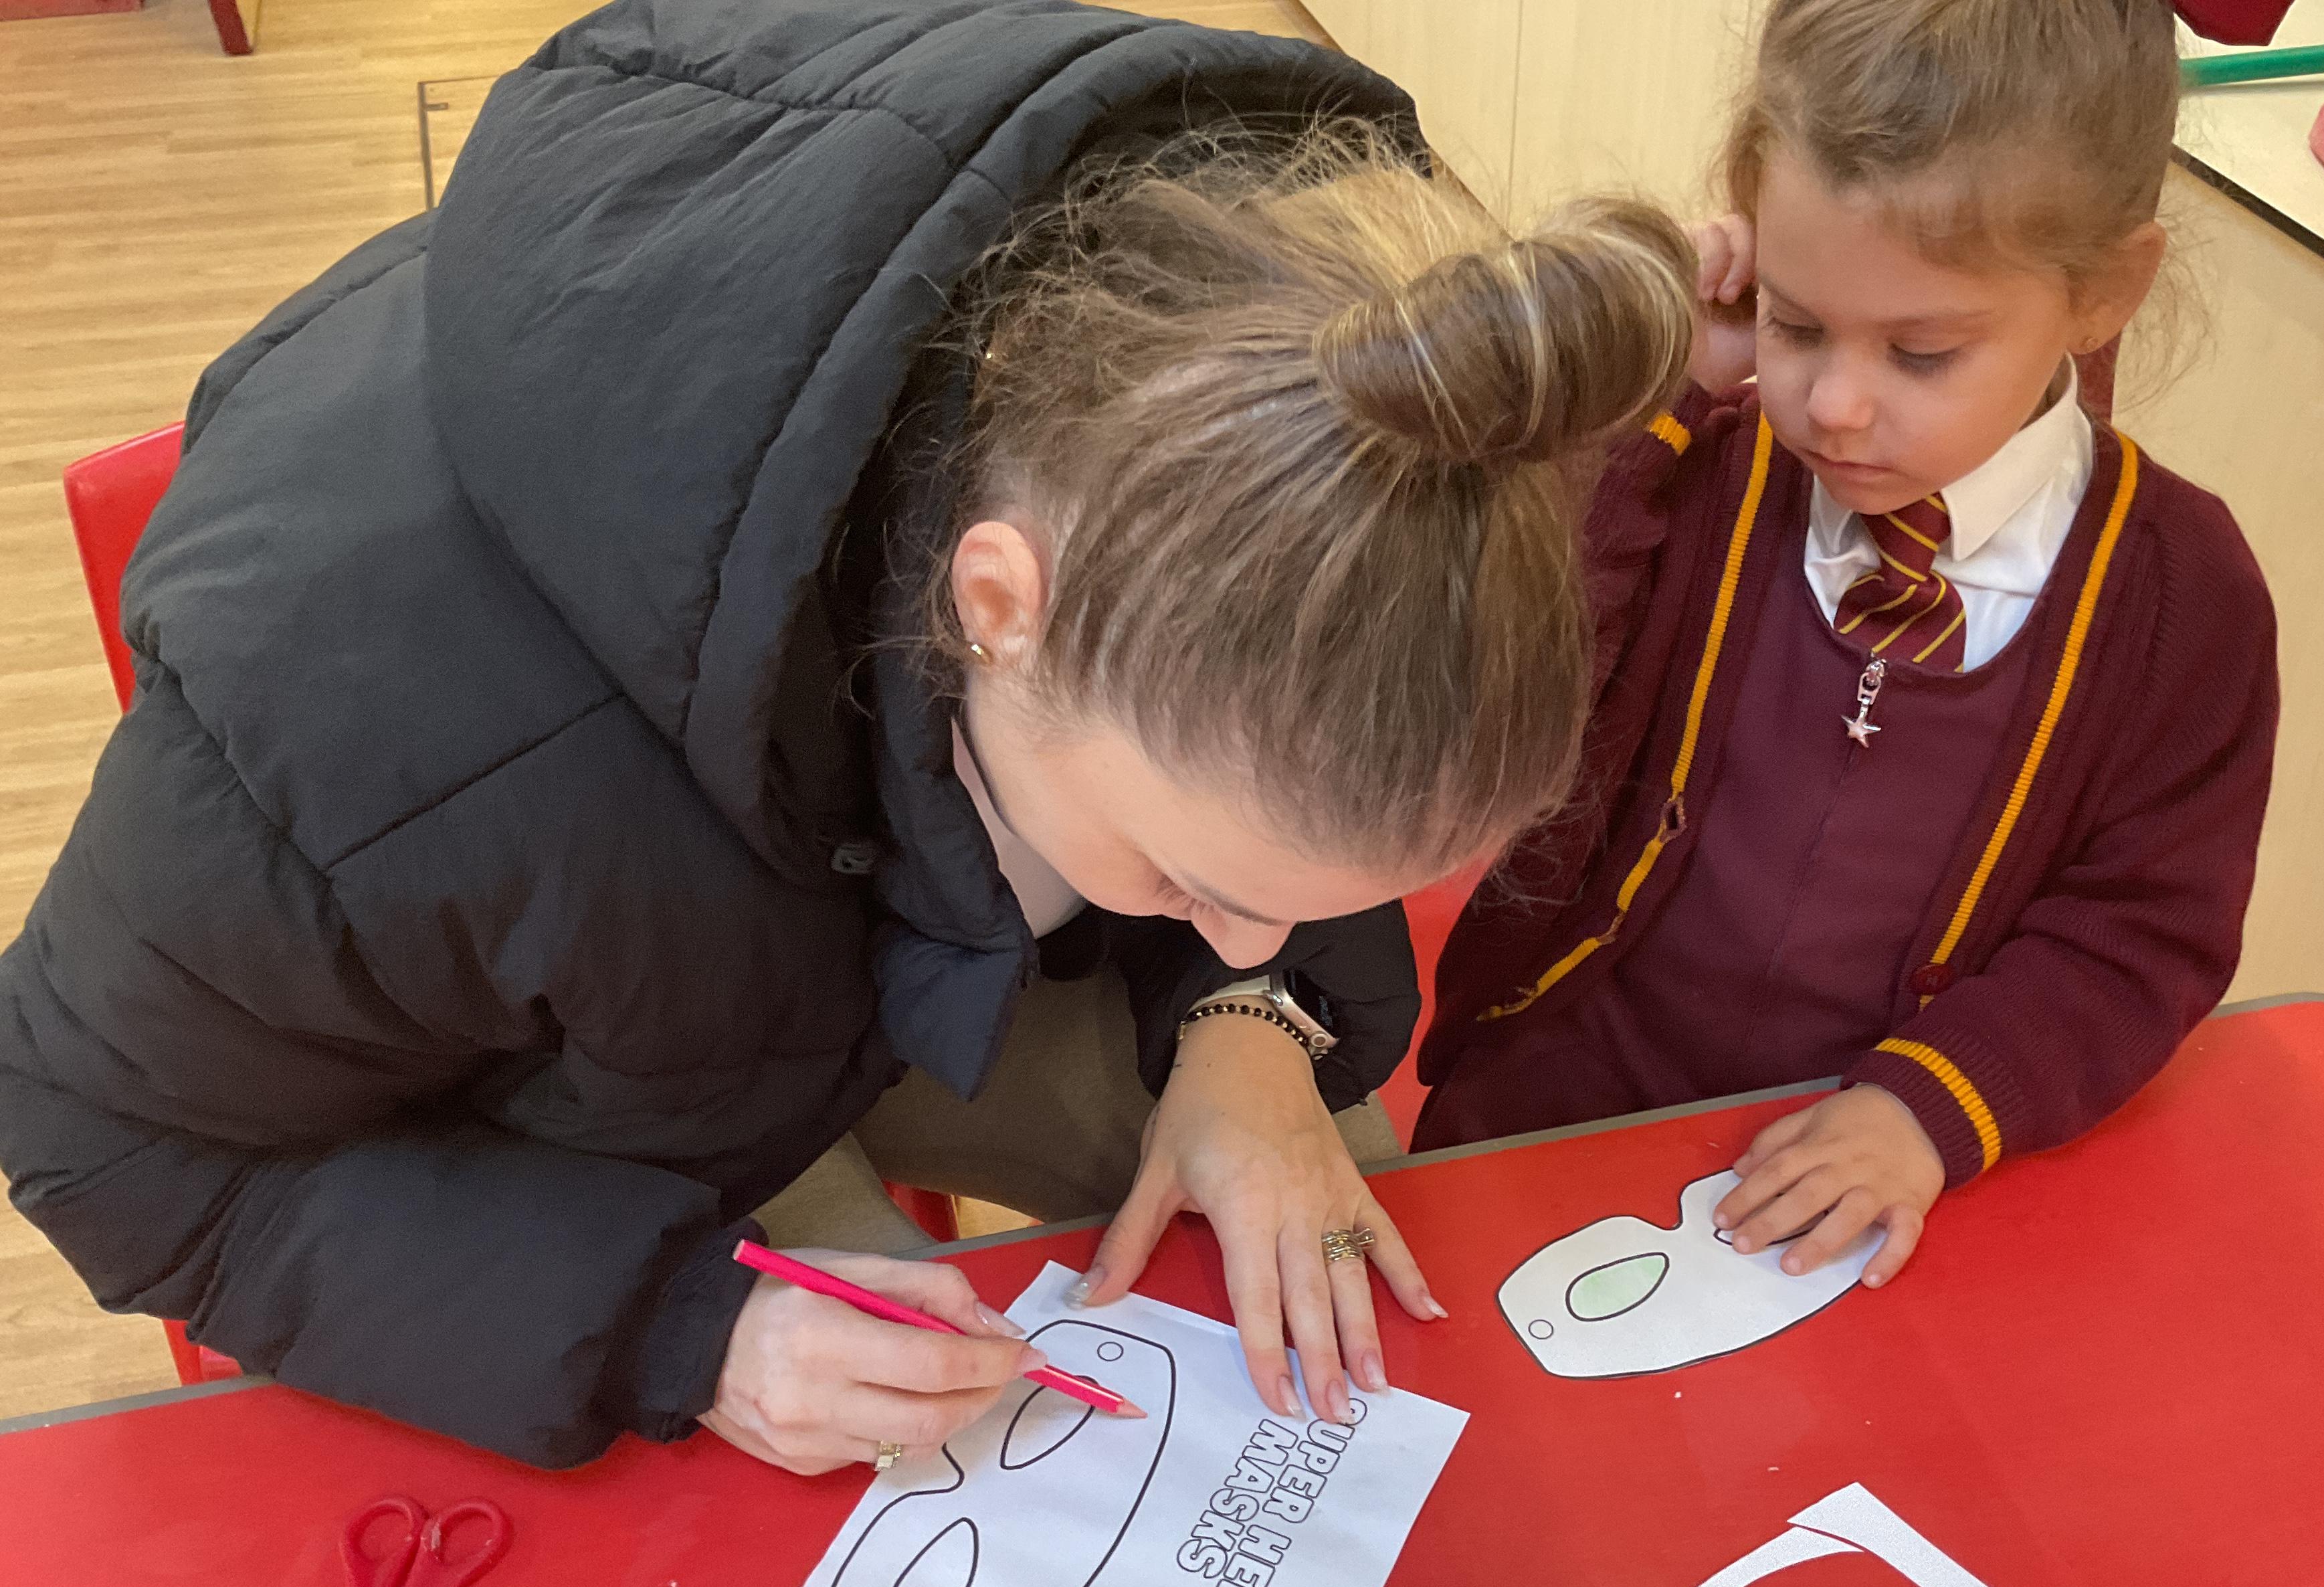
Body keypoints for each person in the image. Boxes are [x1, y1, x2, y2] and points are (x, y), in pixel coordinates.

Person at [0, 0, 1693, 1469]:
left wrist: (1250, 1019)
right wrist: (679, 1335)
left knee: (1331, 1243)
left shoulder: (1303, 450)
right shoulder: (362, 741)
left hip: (841, 951)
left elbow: (1265, 838)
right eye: (1193, 878)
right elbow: (93, 1141)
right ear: (998, 603)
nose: (1256, 934)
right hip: (568, 1089)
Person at [1416, 0, 2287, 1291]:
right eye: (1795, 320)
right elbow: (1507, 702)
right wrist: (1654, 400)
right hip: (1557, 1098)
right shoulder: (1700, 466)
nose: (1832, 405)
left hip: (1877, 1187)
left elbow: (2143, 931)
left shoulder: (2183, 599)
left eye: (1923, 352)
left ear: (2104, 293)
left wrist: (1932, 1107)